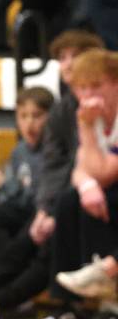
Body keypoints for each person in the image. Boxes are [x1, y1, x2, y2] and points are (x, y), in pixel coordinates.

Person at [0, 31, 103, 318]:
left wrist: (48, 209)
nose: (66, 64)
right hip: (61, 198)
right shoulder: (63, 109)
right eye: (62, 58)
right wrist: (43, 209)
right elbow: (56, 166)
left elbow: (81, 164)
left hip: (92, 196)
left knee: (44, 238)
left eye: (73, 56)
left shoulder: (93, 104)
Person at [50, 50, 118, 309]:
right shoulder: (95, 115)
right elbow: (81, 168)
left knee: (98, 196)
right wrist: (87, 185)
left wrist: (86, 128)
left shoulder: (91, 120)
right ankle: (70, 304)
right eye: (81, 88)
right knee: (71, 200)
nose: (88, 96)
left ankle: (104, 276)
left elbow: (105, 172)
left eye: (96, 86)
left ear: (115, 82)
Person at [0, 87, 53, 274]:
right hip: (18, 209)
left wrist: (3, 183)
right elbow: (11, 194)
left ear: (51, 117)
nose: (29, 123)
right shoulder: (20, 150)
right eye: (23, 116)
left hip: (38, 214)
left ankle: (9, 274)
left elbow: (38, 195)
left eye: (36, 116)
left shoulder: (52, 150)